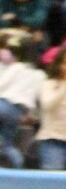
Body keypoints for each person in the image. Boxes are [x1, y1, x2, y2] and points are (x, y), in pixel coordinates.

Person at [0, 38, 44, 168]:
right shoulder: (40, 74)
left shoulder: (17, 67)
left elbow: (1, 85)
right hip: (18, 112)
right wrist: (31, 115)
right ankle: (20, 169)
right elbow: (39, 98)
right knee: (5, 144)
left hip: (3, 104)